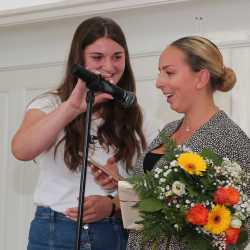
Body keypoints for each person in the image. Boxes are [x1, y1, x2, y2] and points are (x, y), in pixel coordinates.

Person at [11, 16, 158, 250]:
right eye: (97, 57)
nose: (109, 67)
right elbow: (21, 150)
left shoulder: (139, 116)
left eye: (117, 57)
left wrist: (113, 201)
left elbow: (157, 190)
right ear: (79, 60)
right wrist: (71, 108)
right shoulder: (49, 104)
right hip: (54, 232)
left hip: (112, 232)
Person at [126, 36, 250, 250]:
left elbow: (235, 232)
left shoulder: (230, 140)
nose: (158, 82)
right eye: (159, 72)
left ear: (201, 78)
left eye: (169, 72)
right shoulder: (168, 130)